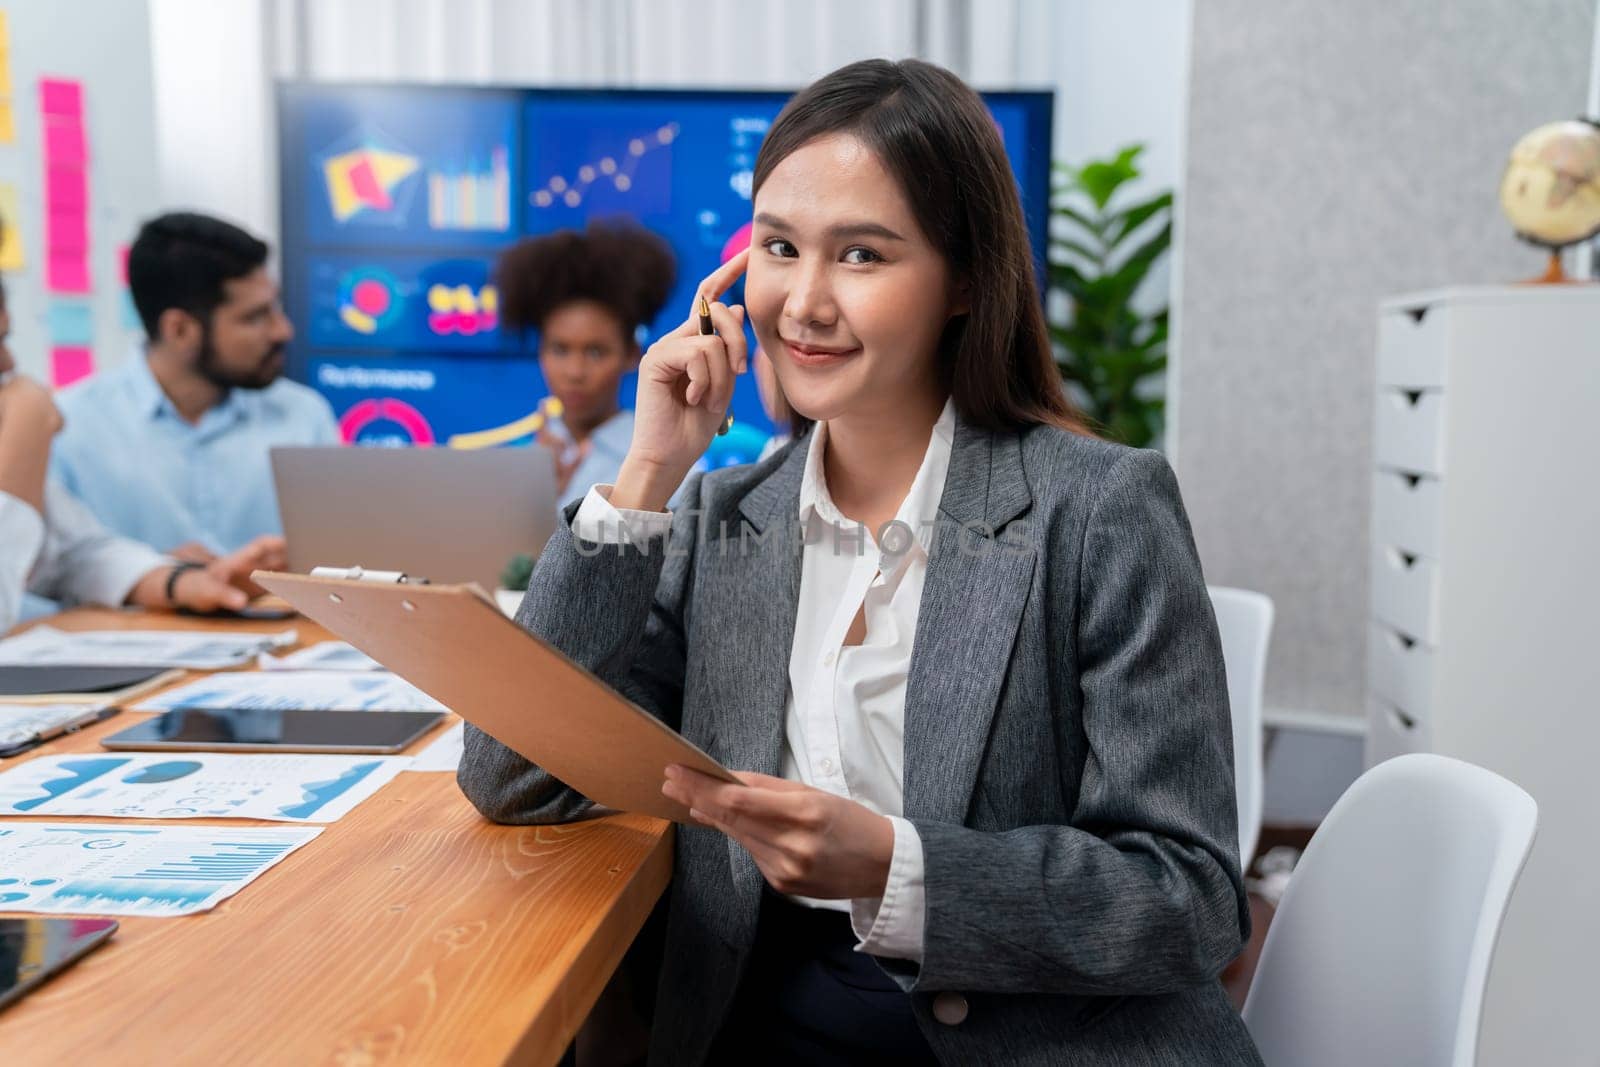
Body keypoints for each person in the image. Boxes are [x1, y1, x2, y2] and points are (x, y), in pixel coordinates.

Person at [460, 58, 1258, 1065]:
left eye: (863, 256)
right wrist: (649, 470)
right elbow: (514, 776)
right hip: (764, 1022)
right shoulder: (721, 519)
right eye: (780, 247)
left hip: (1020, 1033)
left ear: (966, 279)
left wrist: (899, 869)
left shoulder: (1097, 508)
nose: (803, 301)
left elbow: (1188, 897)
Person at [0, 278, 285, 633]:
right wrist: (24, 434)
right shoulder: (49, 417)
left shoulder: (300, 409)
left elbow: (77, 553)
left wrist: (184, 584)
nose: (9, 363)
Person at [50, 212, 337, 561]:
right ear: (180, 330)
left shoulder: (305, 416)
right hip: (122, 617)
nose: (282, 331)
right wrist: (153, 581)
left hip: (282, 616)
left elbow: (341, 567)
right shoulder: (67, 428)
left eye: (275, 309)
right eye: (255, 317)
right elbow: (45, 581)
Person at [495, 220, 676, 509]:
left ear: (631, 355)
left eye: (595, 352)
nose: (575, 372)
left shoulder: (669, 471)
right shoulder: (513, 469)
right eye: (559, 350)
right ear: (541, 352)